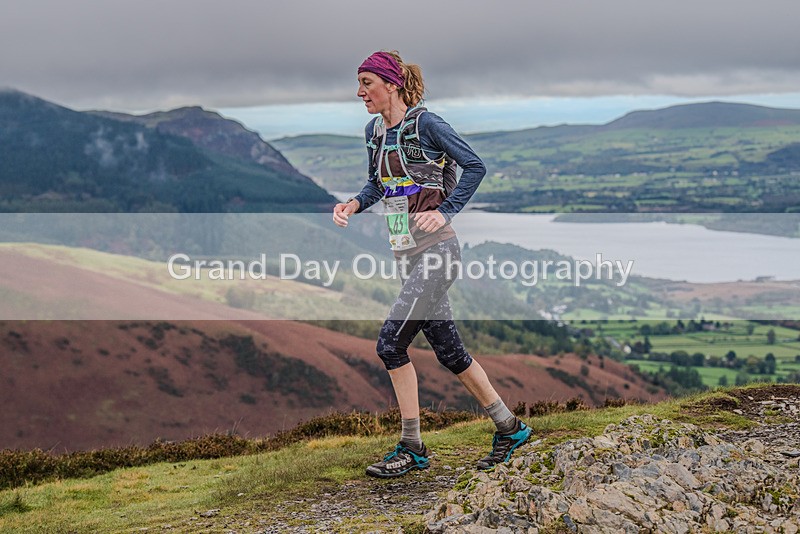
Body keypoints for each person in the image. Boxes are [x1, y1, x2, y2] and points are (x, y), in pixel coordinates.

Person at [332, 50, 531, 478]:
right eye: (359, 83)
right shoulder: (374, 132)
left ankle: (412, 446)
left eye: (367, 82)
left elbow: (475, 166)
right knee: (449, 351)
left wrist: (446, 211)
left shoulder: (427, 124)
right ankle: (509, 428)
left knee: (390, 344)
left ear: (391, 84)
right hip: (407, 254)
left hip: (438, 252)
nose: (360, 91)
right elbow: (377, 183)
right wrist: (354, 203)